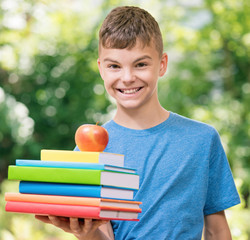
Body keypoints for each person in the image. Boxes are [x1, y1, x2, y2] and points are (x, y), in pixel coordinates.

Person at [35, 6, 240, 240]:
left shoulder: (202, 140)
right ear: (101, 68)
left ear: (162, 64)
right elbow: (104, 235)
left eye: (141, 64)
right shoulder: (89, 150)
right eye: (114, 66)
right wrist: (86, 234)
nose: (127, 77)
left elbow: (217, 231)